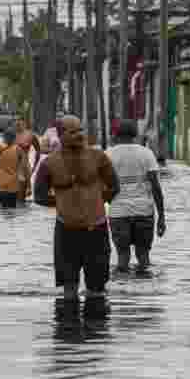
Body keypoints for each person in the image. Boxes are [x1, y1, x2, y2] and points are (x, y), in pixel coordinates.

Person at [34, 116, 120, 301]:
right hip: (67, 232)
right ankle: (68, 329)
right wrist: (64, 202)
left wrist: (96, 200)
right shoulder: (49, 163)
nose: (79, 135)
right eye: (73, 132)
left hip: (96, 229)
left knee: (97, 291)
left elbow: (114, 187)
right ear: (61, 135)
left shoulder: (98, 157)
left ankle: (95, 328)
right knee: (69, 291)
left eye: (81, 130)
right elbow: (39, 197)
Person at [106, 119, 166, 272]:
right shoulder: (146, 153)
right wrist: (161, 217)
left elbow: (101, 186)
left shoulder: (108, 154)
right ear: (135, 134)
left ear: (116, 135)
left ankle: (123, 289)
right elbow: (156, 187)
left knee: (122, 257)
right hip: (144, 212)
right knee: (143, 257)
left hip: (118, 213)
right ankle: (143, 288)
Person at [0, 129, 31, 208]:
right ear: (15, 138)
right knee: (12, 212)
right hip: (13, 187)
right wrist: (29, 187)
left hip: (0, 187)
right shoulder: (19, 150)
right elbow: (25, 169)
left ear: (4, 138)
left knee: (0, 211)